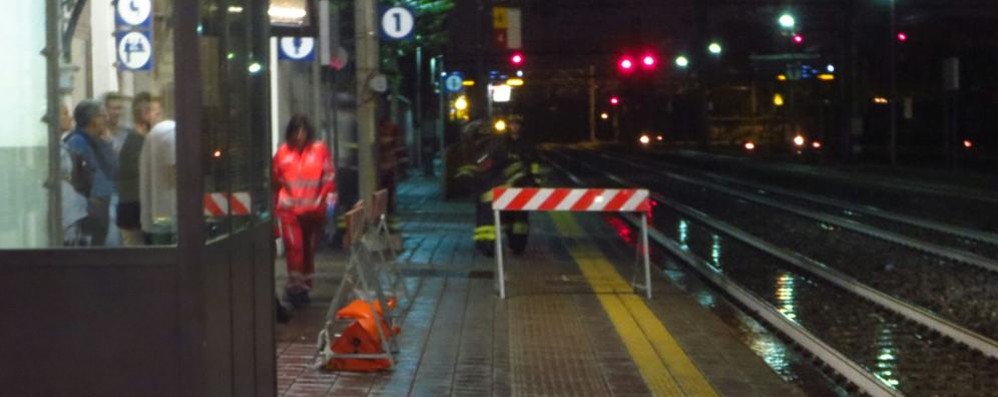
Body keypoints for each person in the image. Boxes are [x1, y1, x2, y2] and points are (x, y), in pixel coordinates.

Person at [273, 114, 336, 307]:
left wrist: (325, 203)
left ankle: (304, 285)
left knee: (308, 250)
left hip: (313, 211)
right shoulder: (282, 154)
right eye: (296, 132)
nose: (299, 136)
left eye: (303, 131)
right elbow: (275, 180)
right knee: (295, 248)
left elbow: (328, 178)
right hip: (289, 211)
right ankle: (296, 286)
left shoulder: (319, 150)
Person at [463, 116, 538, 257]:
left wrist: (533, 182)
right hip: (503, 187)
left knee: (500, 220)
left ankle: (491, 246)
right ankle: (500, 245)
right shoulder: (500, 144)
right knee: (506, 219)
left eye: (517, 124)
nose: (514, 127)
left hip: (503, 188)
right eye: (512, 124)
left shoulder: (490, 147)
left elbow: (479, 168)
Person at [64, 99, 117, 246]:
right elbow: (72, 177)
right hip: (89, 209)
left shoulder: (98, 142)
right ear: (92, 120)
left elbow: (112, 168)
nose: (105, 119)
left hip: (102, 205)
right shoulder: (77, 142)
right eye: (101, 115)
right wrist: (88, 199)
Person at [117, 93, 162, 246]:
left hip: (140, 207)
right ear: (145, 114)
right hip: (134, 209)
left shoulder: (145, 139)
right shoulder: (136, 142)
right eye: (157, 113)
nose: (159, 118)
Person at [139, 119, 177, 244]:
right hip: (168, 211)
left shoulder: (159, 131)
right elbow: (174, 173)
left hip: (156, 210)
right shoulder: (171, 131)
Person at [58, 102, 89, 246]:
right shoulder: (50, 147)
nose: (69, 118)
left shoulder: (63, 145)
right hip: (63, 210)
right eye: (64, 113)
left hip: (72, 209)